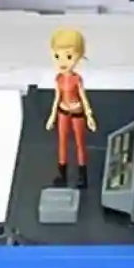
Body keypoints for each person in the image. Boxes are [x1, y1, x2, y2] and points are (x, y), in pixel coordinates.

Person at [45, 27, 96, 188]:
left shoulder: (77, 79)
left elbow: (83, 97)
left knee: (80, 143)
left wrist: (89, 116)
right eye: (57, 56)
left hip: (77, 112)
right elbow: (57, 98)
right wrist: (52, 116)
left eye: (68, 56)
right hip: (62, 112)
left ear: (78, 56)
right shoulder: (58, 79)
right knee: (62, 142)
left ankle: (82, 176)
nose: (62, 62)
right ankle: (62, 175)